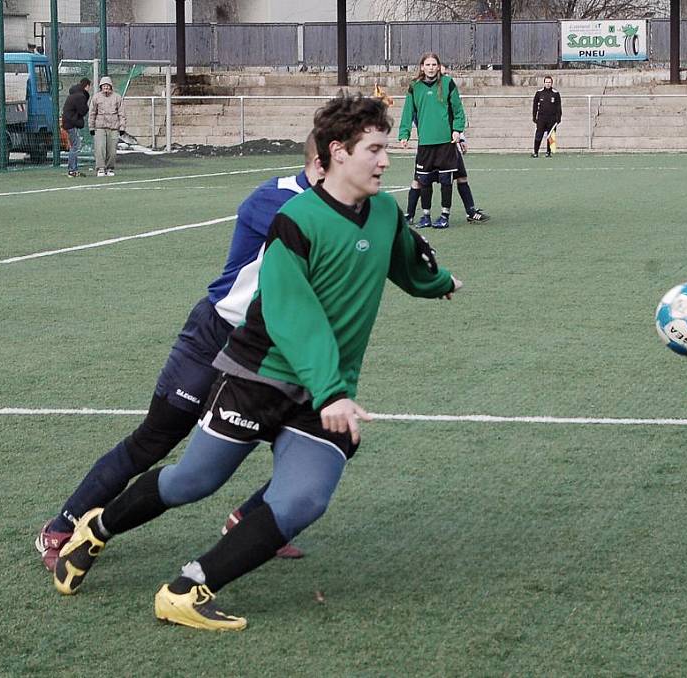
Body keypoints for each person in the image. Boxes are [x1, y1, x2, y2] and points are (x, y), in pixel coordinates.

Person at [53, 93, 463, 631]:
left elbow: (405, 263)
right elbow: (294, 319)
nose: (386, 161)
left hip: (323, 389)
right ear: (337, 152)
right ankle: (96, 528)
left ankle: (188, 589)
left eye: (387, 149)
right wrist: (332, 390)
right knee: (189, 483)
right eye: (375, 150)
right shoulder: (295, 221)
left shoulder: (385, 211)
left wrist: (439, 285)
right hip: (260, 375)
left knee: (305, 500)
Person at [35, 136, 325, 574]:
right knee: (154, 440)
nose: (378, 165)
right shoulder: (279, 200)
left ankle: (250, 520)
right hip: (216, 336)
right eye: (367, 152)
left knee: (314, 434)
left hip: (270, 349)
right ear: (326, 162)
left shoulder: (343, 209)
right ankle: (62, 525)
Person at [399, 52, 466, 230]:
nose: (430, 68)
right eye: (427, 65)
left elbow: (458, 110)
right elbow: (407, 112)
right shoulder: (414, 86)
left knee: (446, 180)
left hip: (445, 142)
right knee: (424, 180)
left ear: (438, 66)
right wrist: (404, 134)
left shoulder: (447, 83)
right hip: (425, 142)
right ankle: (426, 215)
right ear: (422, 67)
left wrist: (457, 130)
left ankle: (444, 215)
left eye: (433, 64)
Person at [88, 76, 126, 177]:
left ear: (111, 86)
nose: (106, 88)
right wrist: (91, 127)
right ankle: (100, 168)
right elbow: (92, 113)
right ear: (101, 87)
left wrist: (122, 127)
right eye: (104, 86)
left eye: (108, 86)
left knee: (112, 150)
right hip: (99, 127)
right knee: (100, 148)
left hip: (113, 127)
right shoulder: (96, 97)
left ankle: (110, 168)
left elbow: (121, 113)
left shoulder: (117, 97)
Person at [61, 78, 91, 178]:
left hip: (69, 123)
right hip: (72, 124)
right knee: (75, 146)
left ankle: (74, 169)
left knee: (75, 145)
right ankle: (72, 170)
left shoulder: (73, 94)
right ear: (87, 86)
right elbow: (83, 110)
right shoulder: (80, 96)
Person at [532, 75, 561, 158]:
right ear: (544, 83)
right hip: (541, 118)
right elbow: (535, 106)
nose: (548, 84)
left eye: (549, 82)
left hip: (552, 118)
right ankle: (535, 152)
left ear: (552, 83)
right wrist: (534, 117)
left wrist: (559, 117)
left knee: (551, 135)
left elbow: (558, 106)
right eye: (546, 82)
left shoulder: (555, 93)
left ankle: (549, 152)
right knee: (538, 134)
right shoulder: (539, 93)